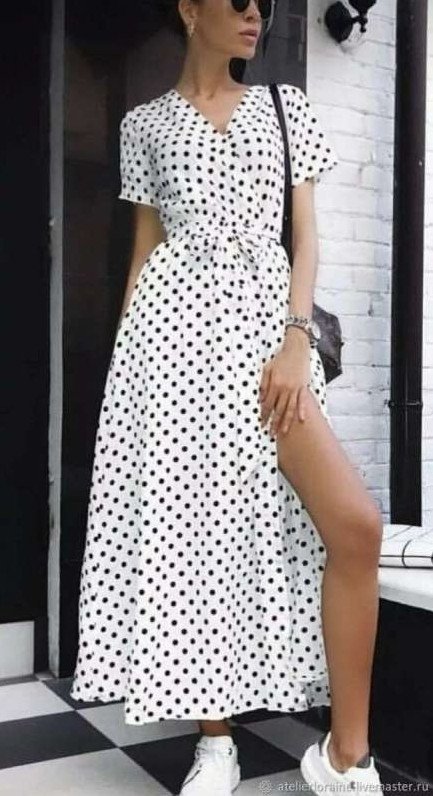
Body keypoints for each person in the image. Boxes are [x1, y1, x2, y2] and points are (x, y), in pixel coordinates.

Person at [69, 1, 384, 793]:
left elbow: (304, 237)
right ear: (188, 9)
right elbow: (144, 250)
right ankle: (216, 743)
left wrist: (295, 339)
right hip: (171, 349)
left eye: (263, 3)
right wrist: (128, 383)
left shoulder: (285, 107)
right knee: (195, 537)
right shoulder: (144, 124)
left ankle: (345, 755)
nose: (254, 12)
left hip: (269, 343)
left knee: (354, 525)